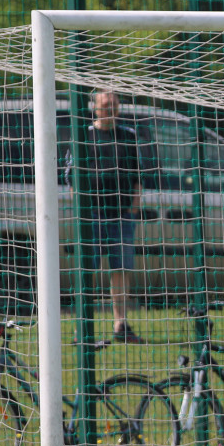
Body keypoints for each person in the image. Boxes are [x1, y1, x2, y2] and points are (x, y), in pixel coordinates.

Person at [66, 89, 145, 344]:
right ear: (95, 107)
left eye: (114, 104)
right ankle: (82, 330)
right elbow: (70, 177)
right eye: (105, 104)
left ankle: (121, 325)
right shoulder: (84, 136)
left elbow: (138, 176)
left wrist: (133, 208)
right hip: (92, 216)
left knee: (121, 270)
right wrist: (82, 209)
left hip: (121, 216)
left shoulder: (128, 136)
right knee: (86, 271)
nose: (111, 108)